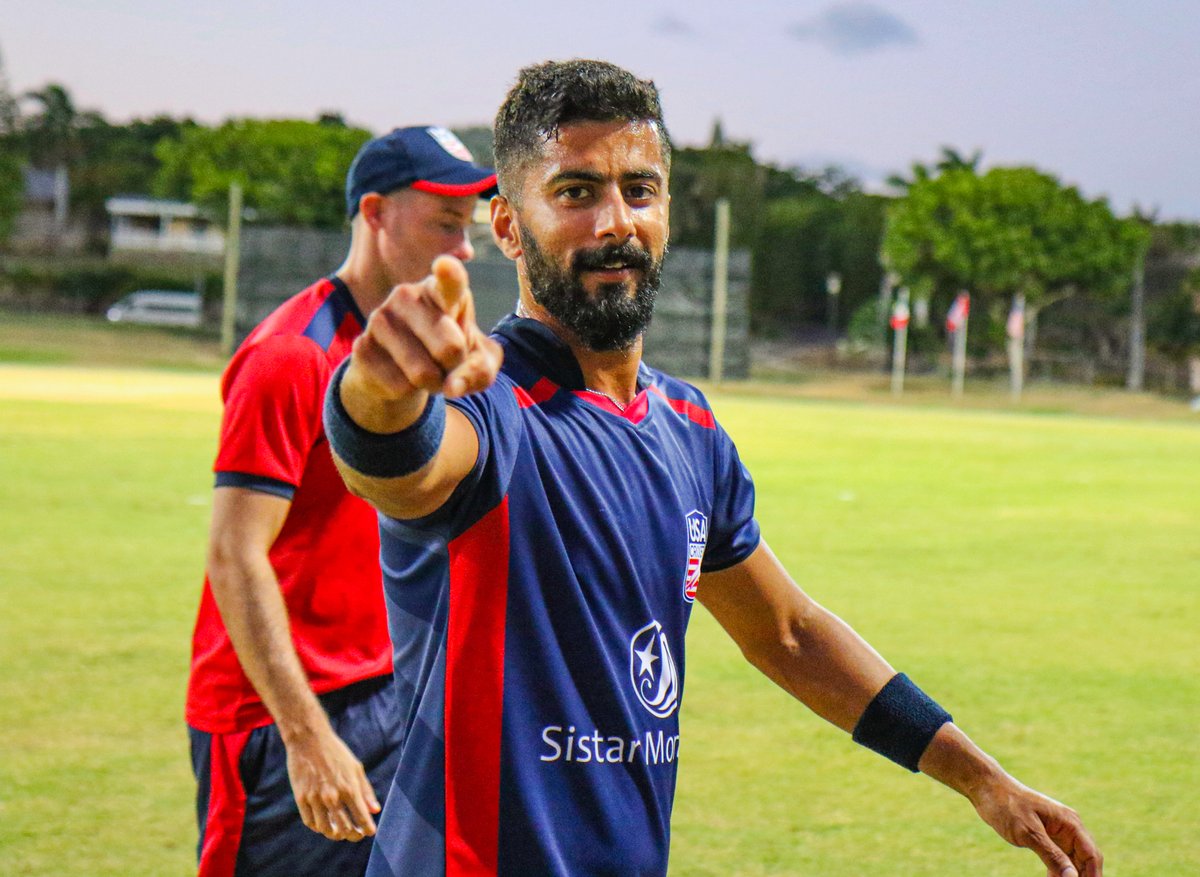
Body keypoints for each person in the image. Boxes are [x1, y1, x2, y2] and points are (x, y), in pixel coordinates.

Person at [323, 61, 1103, 877]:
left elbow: (787, 631)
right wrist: (379, 386)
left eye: (640, 189)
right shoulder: (492, 402)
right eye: (576, 192)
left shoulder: (688, 428)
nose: (614, 221)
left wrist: (981, 779)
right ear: (509, 227)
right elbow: (397, 465)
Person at [184, 125, 496, 877]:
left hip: (386, 690)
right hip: (278, 712)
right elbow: (234, 552)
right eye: (445, 223)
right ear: (376, 213)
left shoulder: (417, 353)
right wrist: (307, 737)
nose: (464, 249)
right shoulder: (292, 355)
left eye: (469, 228)